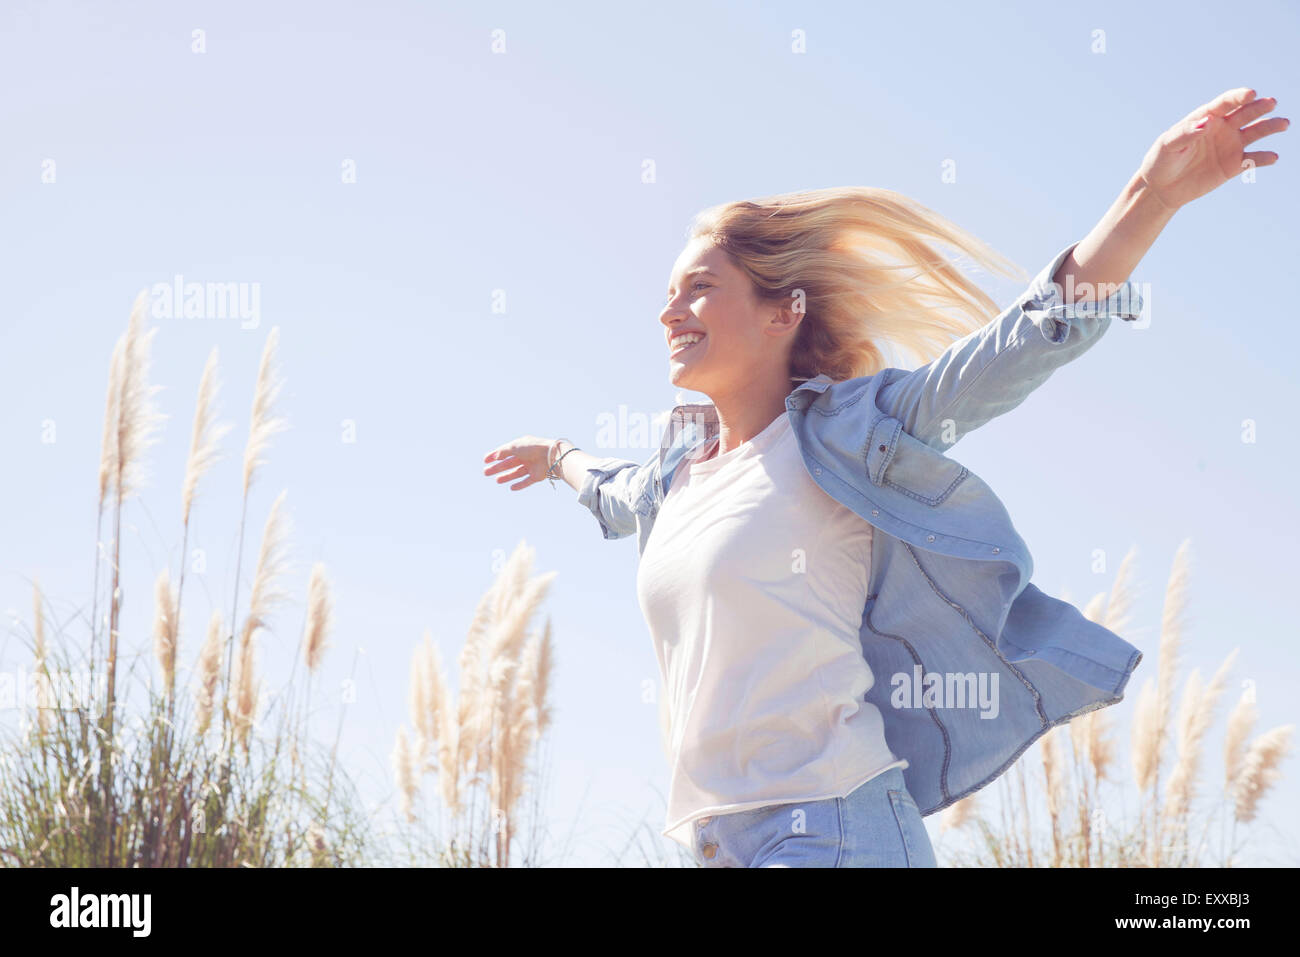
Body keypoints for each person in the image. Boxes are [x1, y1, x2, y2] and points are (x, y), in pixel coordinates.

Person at [483, 88, 1286, 867]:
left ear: (782, 312)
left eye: (699, 288)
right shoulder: (671, 482)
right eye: (668, 294)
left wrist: (1150, 196)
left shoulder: (847, 435)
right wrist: (557, 456)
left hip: (833, 830)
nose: (670, 311)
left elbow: (1014, 347)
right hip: (719, 843)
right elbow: (611, 490)